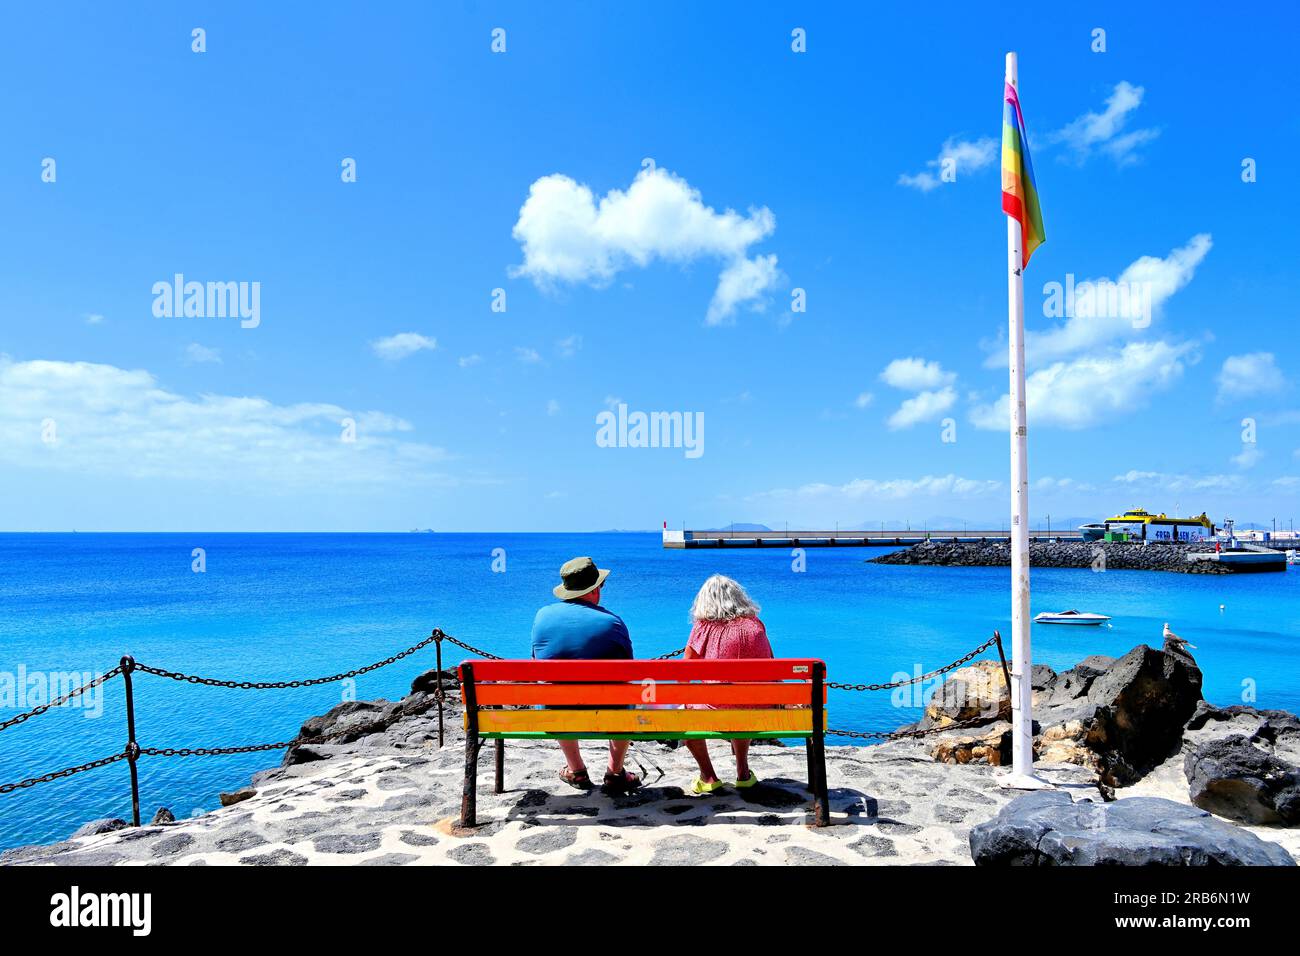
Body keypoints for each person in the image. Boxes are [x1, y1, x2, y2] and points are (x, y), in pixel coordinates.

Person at [531, 556, 641, 795]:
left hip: (553, 713)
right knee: (626, 695)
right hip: (610, 713)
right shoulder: (612, 623)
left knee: (554, 691)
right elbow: (628, 672)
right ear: (594, 590)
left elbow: (537, 663)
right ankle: (614, 773)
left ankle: (577, 770)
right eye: (601, 585)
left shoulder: (542, 616)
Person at [682, 574, 773, 794]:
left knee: (683, 713)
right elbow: (770, 664)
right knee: (742, 701)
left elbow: (683, 673)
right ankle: (743, 773)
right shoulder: (756, 625)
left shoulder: (703, 627)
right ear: (739, 597)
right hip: (760, 709)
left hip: (719, 710)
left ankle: (708, 777)